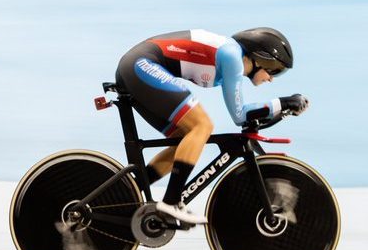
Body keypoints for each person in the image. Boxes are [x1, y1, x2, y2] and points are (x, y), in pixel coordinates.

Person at [115, 28, 308, 224]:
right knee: (202, 126)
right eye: (274, 69)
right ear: (260, 58)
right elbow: (240, 115)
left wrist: (279, 109)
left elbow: (243, 114)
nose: (272, 78)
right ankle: (170, 202)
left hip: (136, 67)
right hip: (141, 65)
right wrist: (283, 103)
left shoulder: (231, 55)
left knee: (185, 142)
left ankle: (126, 192)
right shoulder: (233, 56)